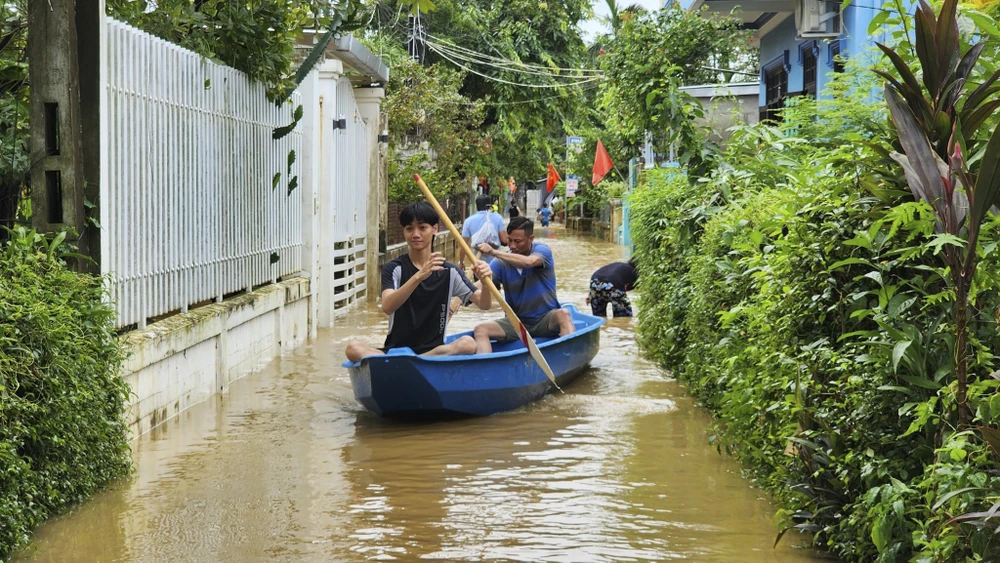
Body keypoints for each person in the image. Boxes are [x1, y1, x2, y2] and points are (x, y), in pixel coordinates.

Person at [345, 202, 493, 362]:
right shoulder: (394, 268)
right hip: (396, 351)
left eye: (422, 228)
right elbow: (388, 307)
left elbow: (484, 304)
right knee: (353, 348)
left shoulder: (450, 272)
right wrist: (418, 276)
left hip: (435, 352)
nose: (415, 234)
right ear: (404, 231)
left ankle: (413, 361)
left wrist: (486, 283)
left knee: (468, 344)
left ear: (435, 229)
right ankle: (407, 361)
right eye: (409, 229)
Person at [472, 216, 574, 354]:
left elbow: (529, 262)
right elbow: (481, 285)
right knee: (480, 329)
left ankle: (569, 356)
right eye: (509, 240)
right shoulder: (500, 263)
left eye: (518, 241)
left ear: (530, 238)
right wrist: (460, 293)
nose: (512, 246)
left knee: (563, 314)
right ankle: (485, 369)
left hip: (545, 320)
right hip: (517, 324)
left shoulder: (542, 251)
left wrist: (494, 252)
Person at [460, 194, 508, 269]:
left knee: (478, 280)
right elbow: (504, 240)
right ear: (490, 205)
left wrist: (461, 262)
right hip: (496, 264)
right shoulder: (498, 218)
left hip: (478, 265)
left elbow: (463, 245)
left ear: (476, 206)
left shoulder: (468, 221)